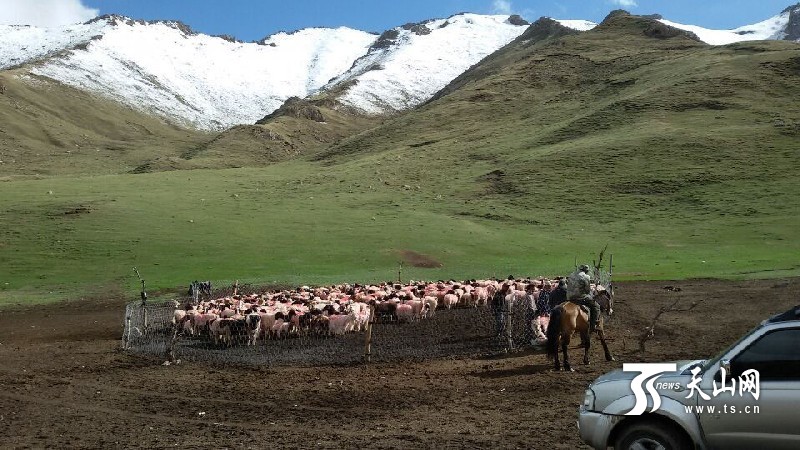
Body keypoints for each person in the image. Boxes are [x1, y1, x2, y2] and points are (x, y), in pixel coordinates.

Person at [568, 264, 600, 332]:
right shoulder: (586, 277)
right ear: (586, 271)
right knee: (596, 306)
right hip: (580, 298)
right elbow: (587, 290)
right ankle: (593, 325)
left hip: (570, 297)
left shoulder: (571, 274)